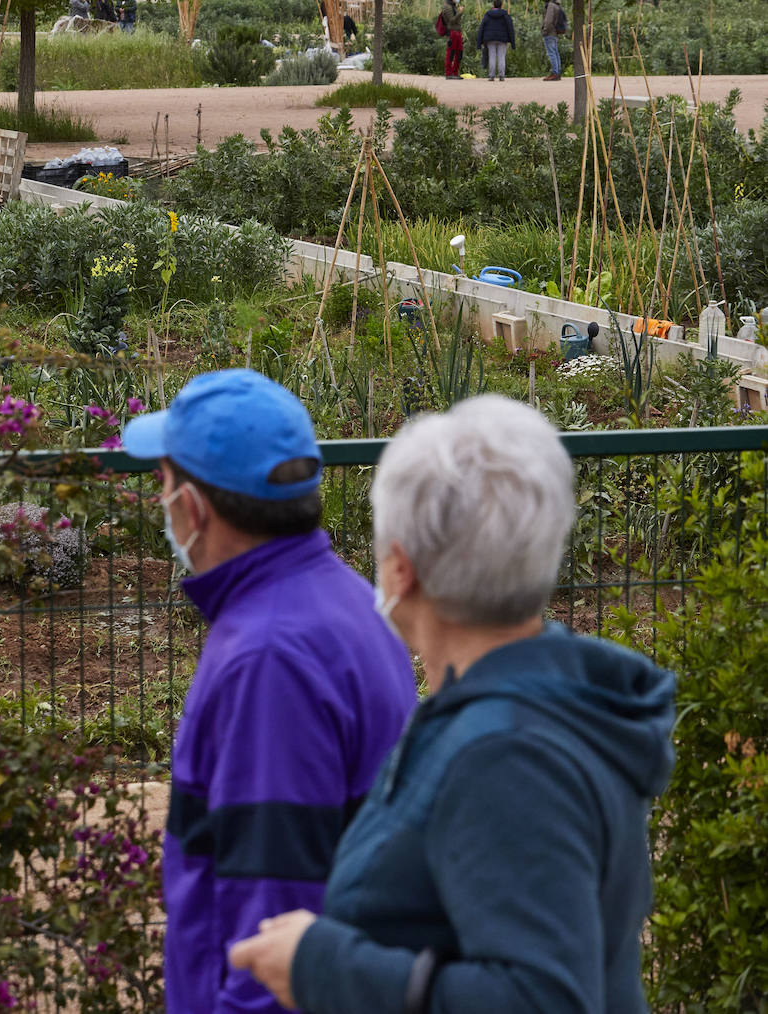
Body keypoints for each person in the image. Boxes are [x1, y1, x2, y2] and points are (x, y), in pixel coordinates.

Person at [230, 394, 676, 1014]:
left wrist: (323, 966)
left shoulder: (505, 755)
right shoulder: (537, 703)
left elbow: (543, 999)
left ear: (400, 570)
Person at [122, 370, 417, 1014]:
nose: (162, 499)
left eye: (165, 481)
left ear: (193, 508)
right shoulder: (346, 602)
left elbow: (274, 934)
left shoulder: (269, 660)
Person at [475, 0, 515, 81]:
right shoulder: (505, 15)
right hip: (502, 39)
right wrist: (512, 42)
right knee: (501, 57)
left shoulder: (488, 14)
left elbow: (481, 28)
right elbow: (510, 28)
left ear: (493, 5)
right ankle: (501, 76)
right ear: (501, 5)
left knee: (491, 56)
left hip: (490, 38)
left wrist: (479, 42)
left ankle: (491, 76)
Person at [541, 0, 567, 81]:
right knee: (555, 52)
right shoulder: (557, 5)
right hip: (554, 32)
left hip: (550, 32)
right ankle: (557, 71)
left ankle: (555, 73)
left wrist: (544, 30)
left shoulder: (551, 6)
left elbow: (548, 20)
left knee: (551, 52)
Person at [440, 0, 464, 80]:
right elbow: (451, 20)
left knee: (459, 52)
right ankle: (449, 73)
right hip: (452, 32)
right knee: (451, 53)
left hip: (457, 32)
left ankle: (455, 72)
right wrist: (460, 13)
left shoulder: (453, 6)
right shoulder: (447, 7)